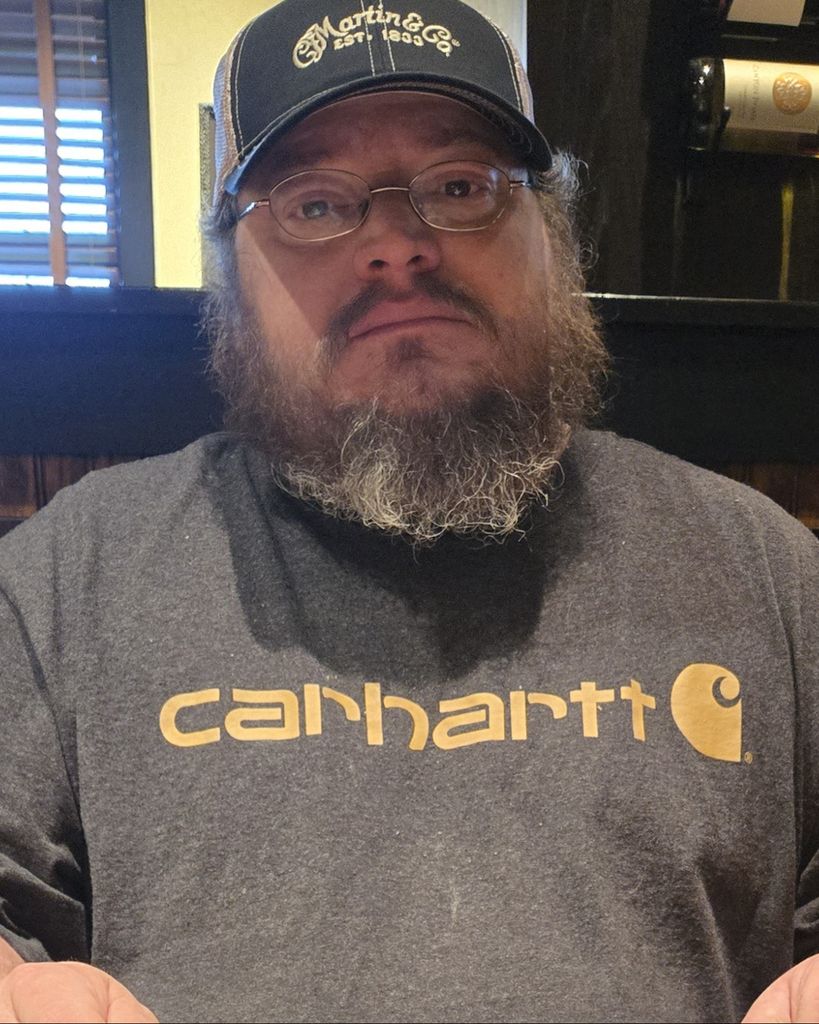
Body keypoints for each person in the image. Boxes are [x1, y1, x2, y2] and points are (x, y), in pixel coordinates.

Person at [0, 0, 817, 1021]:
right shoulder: (72, 575)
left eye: (460, 186)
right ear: (230, 274)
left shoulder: (762, 569)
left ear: (555, 235)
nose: (396, 246)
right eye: (313, 203)